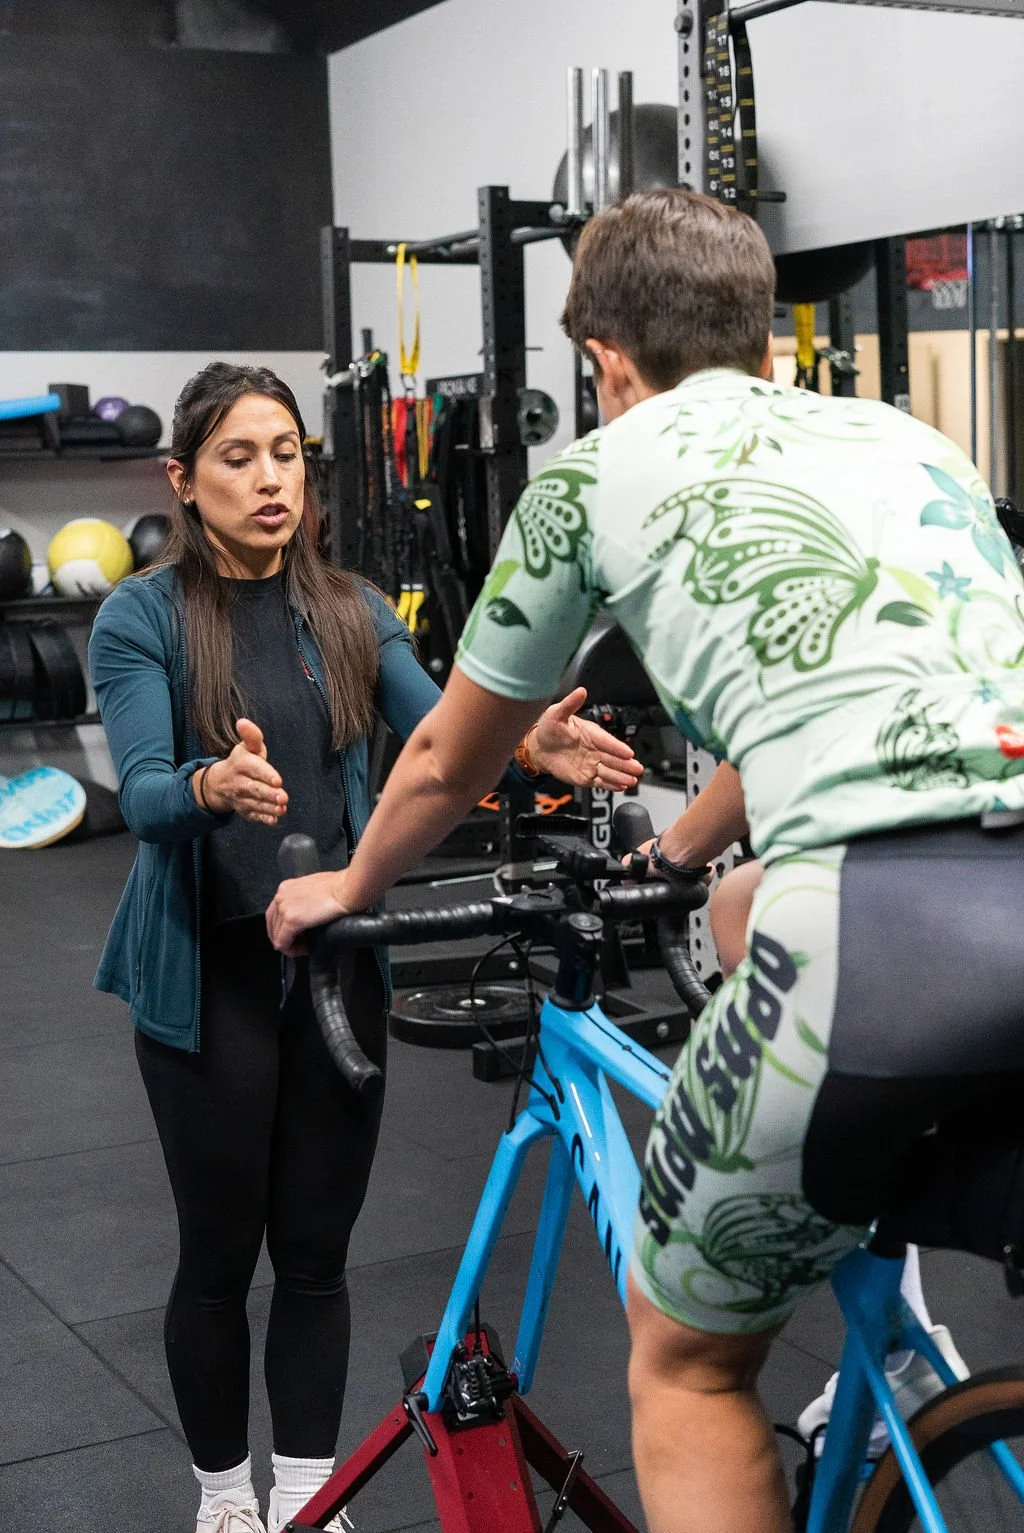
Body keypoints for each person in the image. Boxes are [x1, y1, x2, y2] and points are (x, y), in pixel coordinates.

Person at [266, 189, 1024, 1533]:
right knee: (740, 909)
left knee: (686, 1360)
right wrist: (678, 848)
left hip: (881, 935)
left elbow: (447, 757)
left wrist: (349, 884)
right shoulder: (913, 443)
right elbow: (826, 699)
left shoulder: (593, 478)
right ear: (765, 334)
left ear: (607, 362)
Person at [88, 360, 642, 1533]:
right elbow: (139, 794)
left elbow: (436, 727)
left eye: (285, 453)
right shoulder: (139, 617)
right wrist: (208, 783)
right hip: (209, 973)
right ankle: (222, 1500)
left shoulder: (348, 608)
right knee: (218, 1254)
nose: (270, 478)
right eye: (238, 458)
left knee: (318, 1248)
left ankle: (303, 1492)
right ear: (182, 481)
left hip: (333, 963)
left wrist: (524, 741)